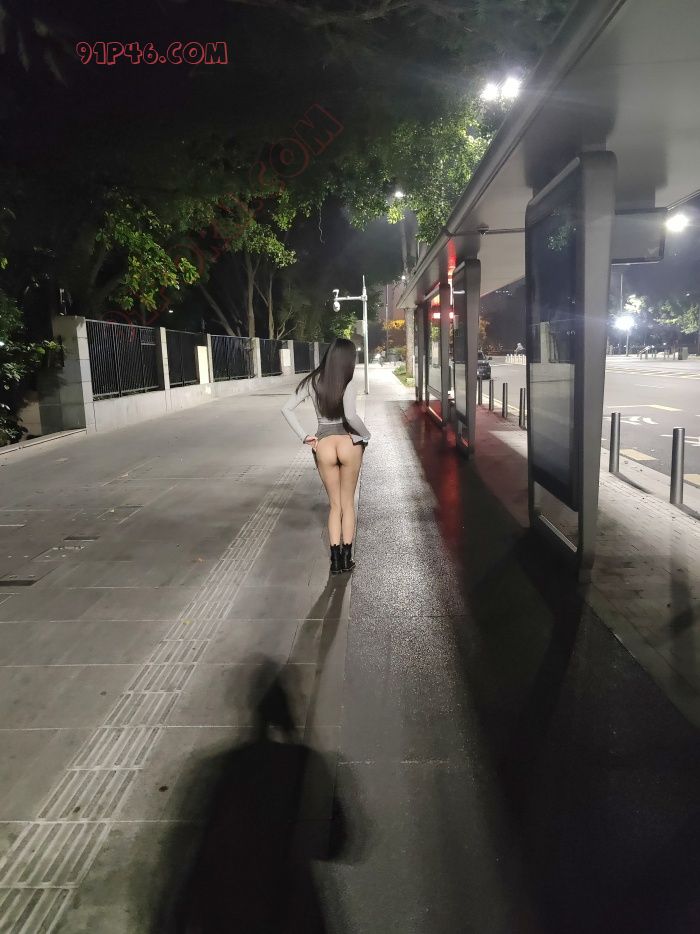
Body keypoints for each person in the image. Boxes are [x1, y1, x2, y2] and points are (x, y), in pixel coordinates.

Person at [282, 338, 370, 575]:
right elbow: (350, 417)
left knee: (335, 506)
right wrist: (366, 435)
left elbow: (286, 408)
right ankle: (347, 559)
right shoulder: (348, 381)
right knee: (347, 504)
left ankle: (335, 562)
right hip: (348, 442)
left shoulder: (312, 381)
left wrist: (305, 437)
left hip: (324, 444)